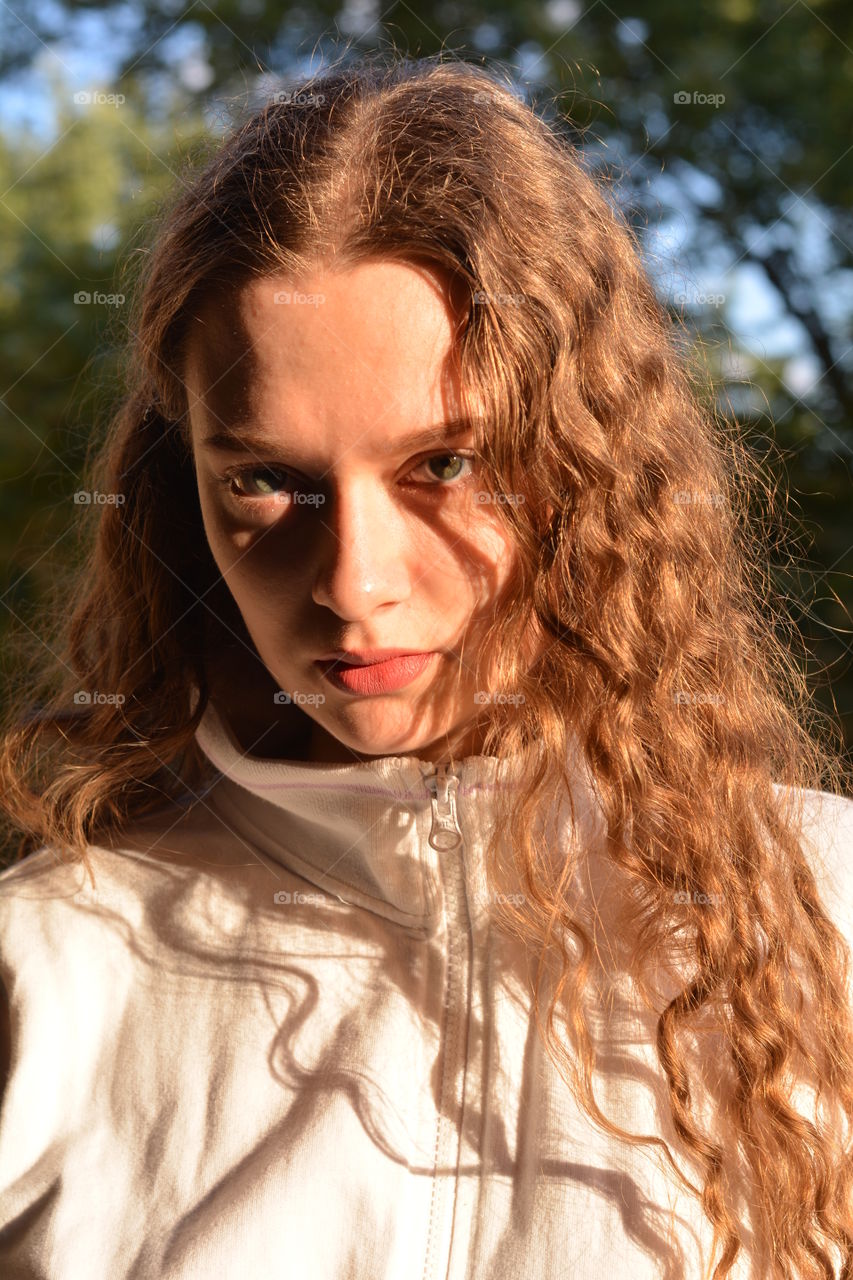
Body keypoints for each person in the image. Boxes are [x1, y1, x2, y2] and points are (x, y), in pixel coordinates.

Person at [0, 51, 851, 1280]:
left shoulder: (820, 913)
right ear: (180, 491)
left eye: (445, 465)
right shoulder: (48, 978)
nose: (354, 584)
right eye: (267, 481)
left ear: (591, 464)